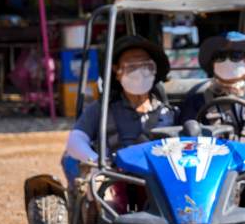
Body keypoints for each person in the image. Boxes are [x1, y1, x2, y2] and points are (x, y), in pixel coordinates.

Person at [65, 35, 174, 212]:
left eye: (146, 66)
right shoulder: (102, 109)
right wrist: (98, 161)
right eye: (132, 66)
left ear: (154, 70)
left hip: (162, 183)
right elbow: (75, 141)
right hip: (115, 177)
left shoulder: (168, 112)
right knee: (101, 190)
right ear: (117, 71)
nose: (140, 72)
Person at [177, 32, 245, 145]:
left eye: (236, 55)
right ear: (213, 64)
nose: (227, 61)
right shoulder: (196, 102)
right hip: (211, 161)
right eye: (220, 56)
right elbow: (184, 141)